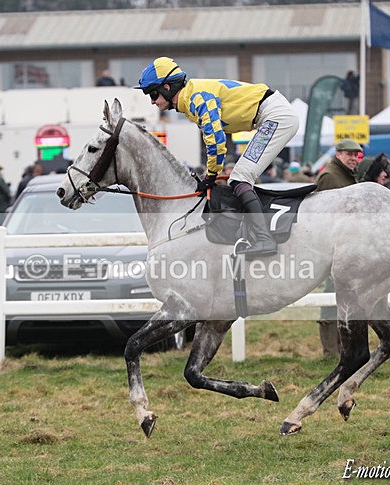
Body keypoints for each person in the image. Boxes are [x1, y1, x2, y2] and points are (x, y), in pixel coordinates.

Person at [134, 57, 299, 259]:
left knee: (240, 177)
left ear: (167, 88)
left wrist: (210, 175)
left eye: (153, 94)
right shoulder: (191, 97)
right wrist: (211, 173)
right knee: (238, 177)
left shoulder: (196, 97)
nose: (152, 101)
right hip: (272, 115)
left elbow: (215, 141)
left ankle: (264, 238)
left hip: (276, 117)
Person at [314, 138, 363, 356]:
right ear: (338, 154)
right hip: (333, 248)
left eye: (356, 155)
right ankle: (330, 350)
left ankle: (343, 347)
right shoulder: (330, 176)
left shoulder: (347, 175)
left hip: (347, 247)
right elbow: (326, 217)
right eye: (349, 154)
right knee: (331, 295)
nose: (353, 158)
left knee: (346, 297)